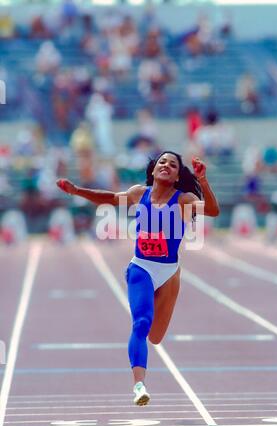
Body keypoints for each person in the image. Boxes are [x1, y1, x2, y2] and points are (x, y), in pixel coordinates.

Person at [56, 151, 219, 406]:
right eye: (162, 162)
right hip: (141, 267)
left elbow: (212, 210)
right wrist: (77, 191)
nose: (166, 165)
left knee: (156, 337)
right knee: (141, 323)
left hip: (169, 273)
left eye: (173, 164)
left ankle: (142, 368)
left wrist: (204, 180)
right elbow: (109, 198)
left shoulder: (184, 200)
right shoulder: (137, 193)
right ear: (153, 171)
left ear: (177, 176)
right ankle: (139, 386)